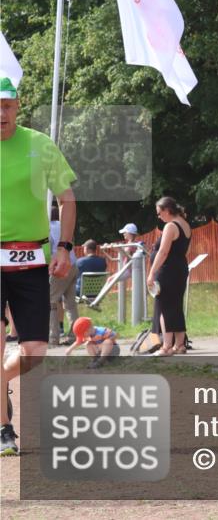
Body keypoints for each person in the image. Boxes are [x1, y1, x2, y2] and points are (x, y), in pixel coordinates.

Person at [0, 76, 77, 456]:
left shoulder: (39, 145)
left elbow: (67, 199)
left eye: (7, 105)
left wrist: (64, 246)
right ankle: (3, 429)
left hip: (32, 256)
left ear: (18, 106)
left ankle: (2, 385)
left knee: (34, 351)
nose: (1, 112)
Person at [147, 197, 191, 356]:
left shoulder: (171, 226)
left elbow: (163, 252)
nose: (159, 216)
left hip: (167, 271)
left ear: (167, 210)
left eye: (159, 213)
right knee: (176, 307)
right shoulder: (185, 225)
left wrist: (151, 272)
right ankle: (179, 346)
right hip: (180, 269)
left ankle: (166, 347)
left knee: (164, 308)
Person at [48, 205, 78, 346]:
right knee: (70, 304)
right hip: (73, 264)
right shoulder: (65, 226)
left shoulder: (48, 227)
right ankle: (74, 335)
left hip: (59, 266)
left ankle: (53, 337)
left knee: (50, 301)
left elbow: (48, 249)